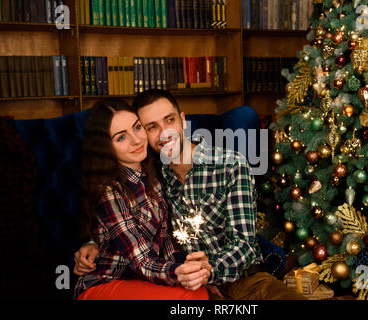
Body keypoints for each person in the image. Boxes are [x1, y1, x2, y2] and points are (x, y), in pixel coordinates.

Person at [75, 91, 306, 300]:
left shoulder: (230, 164)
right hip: (185, 283)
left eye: (170, 120)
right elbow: (131, 237)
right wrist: (95, 241)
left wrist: (208, 273)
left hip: (239, 280)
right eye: (151, 126)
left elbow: (244, 245)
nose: (164, 133)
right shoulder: (153, 173)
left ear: (183, 120)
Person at [73, 99, 209, 300]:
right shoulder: (110, 191)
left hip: (140, 282)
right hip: (104, 284)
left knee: (198, 291)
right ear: (105, 147)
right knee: (189, 298)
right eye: (121, 138)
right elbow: (142, 260)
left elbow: (167, 239)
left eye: (137, 127)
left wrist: (187, 269)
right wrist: (179, 273)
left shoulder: (153, 176)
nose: (136, 140)